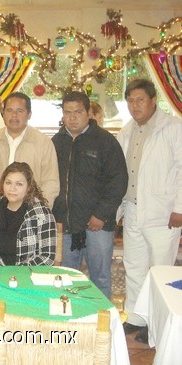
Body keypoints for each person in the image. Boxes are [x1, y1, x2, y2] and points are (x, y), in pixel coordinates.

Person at [116, 79, 182, 341]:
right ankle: (136, 317)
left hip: (163, 213)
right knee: (134, 266)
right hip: (132, 209)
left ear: (153, 100)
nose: (135, 105)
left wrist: (179, 208)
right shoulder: (128, 130)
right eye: (130, 101)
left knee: (159, 270)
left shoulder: (174, 128)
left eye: (140, 99)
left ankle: (156, 326)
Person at [52, 91, 128, 298]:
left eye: (77, 112)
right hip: (66, 225)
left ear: (88, 113)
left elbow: (118, 181)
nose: (72, 117)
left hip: (98, 226)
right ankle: (72, 322)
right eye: (67, 112)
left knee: (100, 277)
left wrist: (101, 214)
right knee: (66, 278)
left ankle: (101, 324)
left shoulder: (105, 142)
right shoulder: (55, 143)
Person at [0, 92, 59, 207]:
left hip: (30, 211)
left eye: (20, 111)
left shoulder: (43, 142)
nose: (14, 115)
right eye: (9, 110)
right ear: (3, 113)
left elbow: (51, 182)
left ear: (29, 114)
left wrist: (38, 210)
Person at [0, 162, 56, 266]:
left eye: (19, 184)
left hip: (30, 275)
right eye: (8, 183)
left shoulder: (42, 214)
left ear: (29, 187)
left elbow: (47, 256)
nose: (12, 188)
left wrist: (19, 272)